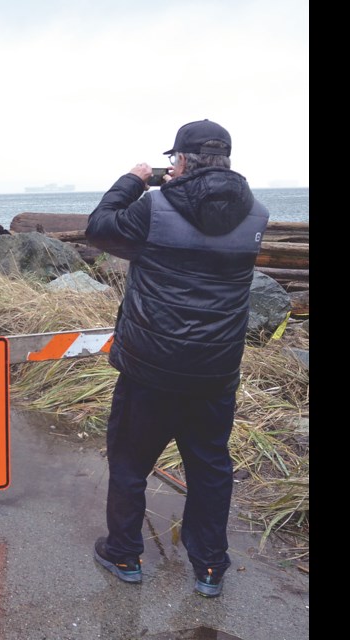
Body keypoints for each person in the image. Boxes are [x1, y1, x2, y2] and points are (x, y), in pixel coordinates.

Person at [85, 119, 269, 598]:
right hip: (214, 372)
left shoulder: (154, 206)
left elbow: (99, 229)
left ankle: (124, 554)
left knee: (129, 464)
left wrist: (134, 180)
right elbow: (208, 220)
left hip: (150, 369)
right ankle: (209, 567)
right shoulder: (258, 215)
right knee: (210, 470)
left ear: (181, 160)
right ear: (226, 159)